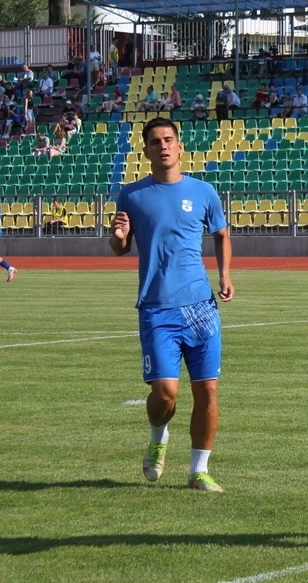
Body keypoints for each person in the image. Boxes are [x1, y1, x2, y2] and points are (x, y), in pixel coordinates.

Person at [110, 116, 234, 493]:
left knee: (207, 391)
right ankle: (158, 436)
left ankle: (199, 471)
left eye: (168, 140)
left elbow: (222, 235)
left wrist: (225, 275)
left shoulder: (204, 192)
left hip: (201, 308)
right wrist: (117, 237)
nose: (162, 146)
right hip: (157, 309)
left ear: (180, 147)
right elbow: (120, 249)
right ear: (145, 150)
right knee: (165, 394)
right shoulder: (131, 195)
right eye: (154, 141)